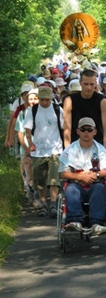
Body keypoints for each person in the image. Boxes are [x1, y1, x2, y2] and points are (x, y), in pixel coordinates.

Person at [59, 117, 106, 233]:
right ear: (78, 131)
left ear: (94, 132)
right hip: (76, 185)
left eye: (89, 129)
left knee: (100, 188)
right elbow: (62, 173)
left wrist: (96, 175)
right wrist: (79, 177)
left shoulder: (100, 149)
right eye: (83, 129)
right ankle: (75, 221)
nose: (86, 132)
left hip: (95, 183)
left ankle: (97, 223)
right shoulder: (70, 150)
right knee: (70, 190)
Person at [24, 86, 64, 218]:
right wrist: (30, 144)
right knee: (39, 179)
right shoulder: (32, 111)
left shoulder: (58, 110)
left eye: (47, 100)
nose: (45, 102)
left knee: (54, 178)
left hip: (55, 149)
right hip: (38, 150)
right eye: (42, 100)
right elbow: (28, 130)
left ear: (51, 99)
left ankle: (53, 203)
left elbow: (65, 128)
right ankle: (42, 203)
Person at [63, 69, 106, 149]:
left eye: (92, 84)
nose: (89, 87)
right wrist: (67, 149)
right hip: (75, 146)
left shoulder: (102, 101)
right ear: (80, 83)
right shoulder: (69, 100)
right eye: (86, 84)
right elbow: (67, 128)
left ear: (95, 84)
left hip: (96, 145)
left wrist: (104, 149)